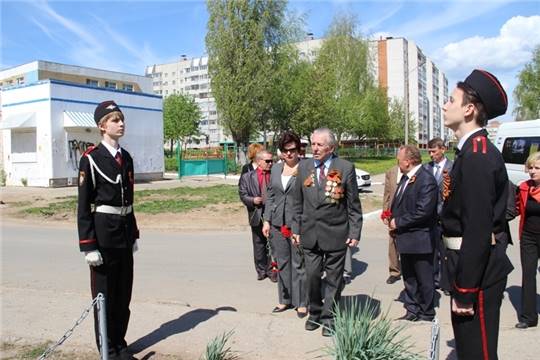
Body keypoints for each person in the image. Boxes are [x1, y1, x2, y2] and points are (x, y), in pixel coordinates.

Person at [440, 69, 514, 359]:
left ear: (469, 109)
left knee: (478, 353)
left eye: (451, 99)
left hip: (477, 273)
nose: (445, 105)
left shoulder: (477, 155)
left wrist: (466, 290)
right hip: (467, 266)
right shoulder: (470, 150)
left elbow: (477, 229)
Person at [77, 100, 139, 360]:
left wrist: (133, 233)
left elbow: (130, 199)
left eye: (121, 118)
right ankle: (108, 350)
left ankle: (120, 344)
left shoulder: (126, 158)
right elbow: (83, 206)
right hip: (102, 235)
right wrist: (88, 245)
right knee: (104, 297)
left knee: (123, 295)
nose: (121, 123)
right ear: (102, 126)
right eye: (114, 120)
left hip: (124, 233)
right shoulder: (90, 159)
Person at [291, 128, 363, 337]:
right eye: (313, 144)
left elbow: (354, 205)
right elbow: (297, 202)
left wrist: (355, 231)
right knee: (312, 276)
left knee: (334, 279)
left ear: (331, 147)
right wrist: (296, 228)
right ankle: (315, 311)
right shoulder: (304, 167)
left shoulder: (345, 167)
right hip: (309, 233)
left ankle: (329, 317)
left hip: (336, 233)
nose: (314, 148)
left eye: (319, 145)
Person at [388, 145, 438, 322]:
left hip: (420, 239)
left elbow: (423, 211)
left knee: (424, 278)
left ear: (407, 162)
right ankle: (412, 309)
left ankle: (426, 312)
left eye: (399, 159)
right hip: (406, 238)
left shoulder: (426, 179)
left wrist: (398, 222)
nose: (397, 163)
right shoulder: (407, 178)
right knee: (409, 277)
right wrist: (390, 217)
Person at [262, 131, 307, 318]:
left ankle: (301, 302)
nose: (289, 154)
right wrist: (266, 219)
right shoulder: (275, 169)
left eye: (292, 150)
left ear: (298, 150)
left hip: (298, 223)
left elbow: (309, 197)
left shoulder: (306, 167)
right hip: (276, 223)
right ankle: (284, 299)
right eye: (285, 150)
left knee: (299, 263)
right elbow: (271, 195)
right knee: (282, 263)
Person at [239, 149, 276, 282]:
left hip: (273, 214)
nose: (271, 163)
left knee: (274, 244)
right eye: (267, 161)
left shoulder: (276, 175)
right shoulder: (247, 177)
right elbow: (242, 195)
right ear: (259, 162)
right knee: (259, 243)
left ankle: (272, 270)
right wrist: (253, 200)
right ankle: (261, 270)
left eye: (272, 161)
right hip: (256, 213)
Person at [424, 137, 453, 293]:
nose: (431, 155)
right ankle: (434, 279)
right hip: (430, 217)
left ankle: (446, 282)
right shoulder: (426, 168)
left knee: (446, 252)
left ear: (443, 149)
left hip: (447, 217)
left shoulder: (453, 167)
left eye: (434, 151)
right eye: (429, 152)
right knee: (432, 250)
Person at [515, 151, 540, 329]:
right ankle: (528, 317)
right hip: (528, 237)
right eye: (530, 167)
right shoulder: (524, 187)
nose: (532, 171)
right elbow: (515, 208)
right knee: (528, 275)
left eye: (537, 168)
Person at [382, 164, 403, 285]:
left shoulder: (418, 171)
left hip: (408, 213)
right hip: (393, 212)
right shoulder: (391, 172)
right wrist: (385, 214)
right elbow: (387, 194)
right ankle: (394, 272)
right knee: (392, 243)